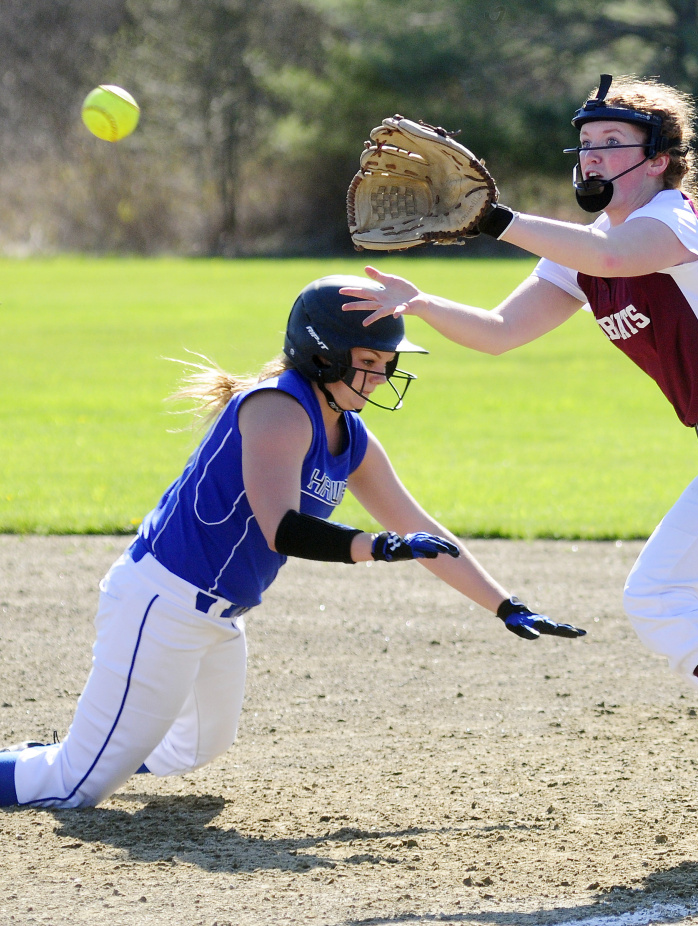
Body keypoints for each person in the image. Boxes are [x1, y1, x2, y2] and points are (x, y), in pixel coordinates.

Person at [339, 75, 698, 834]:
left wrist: (500, 219)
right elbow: (501, 330)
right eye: (586, 144)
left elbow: (614, 258)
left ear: (663, 158)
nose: (593, 156)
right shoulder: (584, 253)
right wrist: (420, 303)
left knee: (655, 598)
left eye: (613, 143)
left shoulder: (669, 222)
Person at [0, 275, 585, 810]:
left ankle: (101, 744)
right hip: (163, 601)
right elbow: (282, 526)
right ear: (322, 352)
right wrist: (378, 547)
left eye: (387, 362)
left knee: (194, 748)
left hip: (219, 616)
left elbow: (422, 528)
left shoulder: (350, 433)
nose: (382, 376)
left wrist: (505, 605)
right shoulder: (277, 406)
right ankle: (80, 756)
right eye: (370, 361)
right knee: (76, 787)